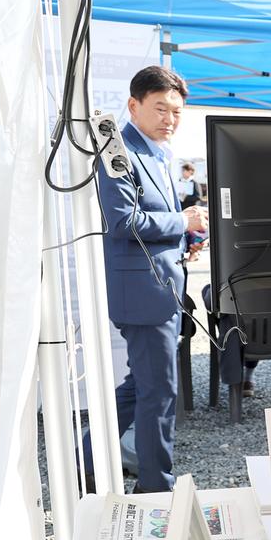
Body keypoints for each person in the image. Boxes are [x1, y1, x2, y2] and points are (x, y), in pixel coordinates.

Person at [90, 65, 208, 492]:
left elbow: (154, 226)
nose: (169, 119)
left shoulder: (159, 153)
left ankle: (88, 458)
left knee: (141, 384)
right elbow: (122, 221)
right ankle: (157, 488)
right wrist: (182, 220)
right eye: (160, 109)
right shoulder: (117, 149)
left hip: (160, 287)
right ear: (133, 105)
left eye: (176, 112)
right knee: (159, 393)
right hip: (143, 293)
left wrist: (184, 238)